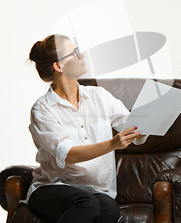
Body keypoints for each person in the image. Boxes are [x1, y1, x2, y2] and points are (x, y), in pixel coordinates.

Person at [24, 34, 148, 223]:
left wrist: (147, 124)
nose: (82, 56)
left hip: (96, 191)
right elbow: (68, 155)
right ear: (58, 66)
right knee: (86, 204)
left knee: (109, 209)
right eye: (74, 53)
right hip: (53, 188)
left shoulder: (99, 96)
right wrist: (113, 144)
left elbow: (132, 127)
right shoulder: (43, 109)